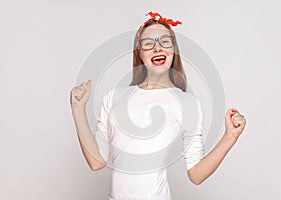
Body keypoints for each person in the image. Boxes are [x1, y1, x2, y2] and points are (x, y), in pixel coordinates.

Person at [70, 12, 246, 200]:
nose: (157, 48)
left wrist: (230, 137)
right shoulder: (113, 98)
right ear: (140, 52)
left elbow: (196, 174)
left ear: (174, 50)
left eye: (164, 42)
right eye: (148, 43)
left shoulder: (187, 104)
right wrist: (78, 109)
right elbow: (96, 162)